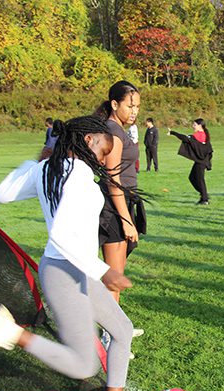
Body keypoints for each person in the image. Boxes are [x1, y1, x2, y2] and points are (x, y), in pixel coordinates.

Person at [0, 115, 150, 391]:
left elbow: (3, 192)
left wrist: (38, 159)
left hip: (71, 269)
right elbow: (63, 237)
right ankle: (10, 333)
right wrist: (105, 271)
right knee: (85, 364)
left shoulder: (50, 169)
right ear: (88, 141)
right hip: (67, 272)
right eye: (103, 146)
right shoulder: (78, 177)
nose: (105, 154)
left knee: (121, 329)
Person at [95, 81, 142, 304]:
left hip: (123, 204)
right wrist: (125, 220)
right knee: (113, 278)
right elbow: (113, 180)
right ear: (115, 104)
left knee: (117, 275)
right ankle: (110, 333)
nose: (134, 112)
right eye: (129, 106)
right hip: (114, 209)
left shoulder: (118, 129)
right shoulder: (113, 132)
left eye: (137, 107)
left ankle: (115, 328)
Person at [169, 119, 213, 205]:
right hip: (201, 161)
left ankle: (204, 199)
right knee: (192, 178)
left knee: (200, 179)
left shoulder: (199, 135)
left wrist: (173, 133)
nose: (193, 126)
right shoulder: (203, 134)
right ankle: (204, 195)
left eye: (194, 125)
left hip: (201, 161)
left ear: (200, 126)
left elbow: (185, 138)